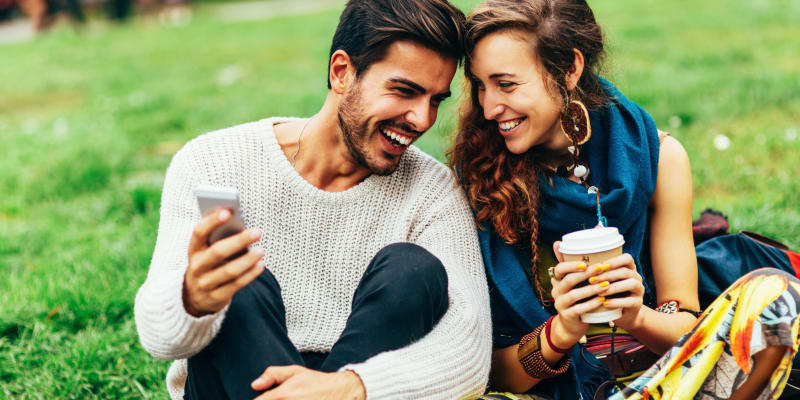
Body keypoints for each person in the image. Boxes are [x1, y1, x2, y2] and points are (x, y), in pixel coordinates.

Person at [133, 1, 492, 399]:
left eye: (435, 100)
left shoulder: (433, 193)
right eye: (404, 90)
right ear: (342, 72)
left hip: (360, 384)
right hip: (231, 382)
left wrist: (351, 387)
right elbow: (157, 339)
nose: (423, 120)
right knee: (239, 279)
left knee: (412, 270)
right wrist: (193, 298)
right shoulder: (212, 162)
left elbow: (471, 352)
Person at [449, 0, 800, 399]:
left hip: (662, 378)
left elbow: (683, 321)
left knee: (775, 298)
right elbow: (487, 373)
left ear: (569, 69)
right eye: (479, 85)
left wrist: (635, 315)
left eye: (506, 84)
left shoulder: (658, 158)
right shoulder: (476, 178)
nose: (489, 107)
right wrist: (561, 332)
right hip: (550, 390)